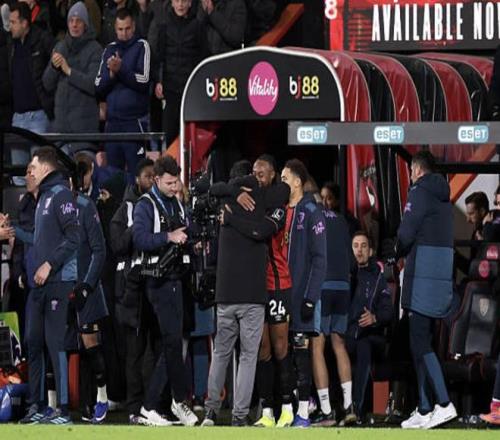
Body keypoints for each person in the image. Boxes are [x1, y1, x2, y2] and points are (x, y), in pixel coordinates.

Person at [201, 159, 289, 427]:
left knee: (221, 354)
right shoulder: (264, 198)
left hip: (226, 294)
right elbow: (283, 193)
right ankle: (239, 416)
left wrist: (230, 206)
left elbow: (208, 188)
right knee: (249, 356)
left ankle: (210, 412)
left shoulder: (224, 201)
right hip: (252, 295)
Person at [132, 155, 198, 426]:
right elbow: (139, 238)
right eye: (169, 183)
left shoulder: (177, 203)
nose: (174, 187)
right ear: (156, 179)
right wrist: (169, 237)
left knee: (173, 343)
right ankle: (170, 402)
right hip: (158, 281)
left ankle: (160, 404)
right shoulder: (145, 204)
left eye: (176, 182)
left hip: (177, 279)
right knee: (172, 342)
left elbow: (185, 230)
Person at [18, 147, 80, 425]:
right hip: (38, 285)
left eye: (32, 167)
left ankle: (63, 410)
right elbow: (38, 239)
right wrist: (13, 232)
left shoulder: (61, 195)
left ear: (45, 168)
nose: (29, 173)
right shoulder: (43, 197)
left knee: (55, 343)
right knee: (33, 341)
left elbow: (74, 236)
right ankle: (37, 405)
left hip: (57, 281)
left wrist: (49, 265)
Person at [396, 150, 457, 429]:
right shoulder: (443, 198)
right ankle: (423, 408)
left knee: (419, 341)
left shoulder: (419, 192)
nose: (410, 176)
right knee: (420, 342)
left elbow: (406, 234)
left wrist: (396, 250)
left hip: (422, 275)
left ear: (417, 170)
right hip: (439, 278)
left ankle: (443, 403)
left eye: (411, 171)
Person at [110, 158, 171, 426]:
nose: (151, 180)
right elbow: (116, 245)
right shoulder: (126, 209)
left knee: (159, 349)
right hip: (132, 291)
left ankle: (157, 406)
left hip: (157, 287)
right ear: (137, 179)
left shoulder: (165, 206)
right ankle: (135, 408)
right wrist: (138, 227)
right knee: (134, 353)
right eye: (147, 176)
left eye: (154, 176)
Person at [280, 159, 327, 428]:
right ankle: (286, 409)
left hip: (301, 295)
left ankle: (304, 412)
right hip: (281, 294)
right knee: (282, 352)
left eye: (285, 178)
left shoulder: (311, 211)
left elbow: (320, 259)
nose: (281, 183)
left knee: (301, 352)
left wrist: (311, 297)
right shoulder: (280, 211)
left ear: (297, 182)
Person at [252, 155, 295, 429]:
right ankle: (267, 410)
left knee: (280, 348)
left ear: (273, 175)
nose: (257, 177)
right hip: (256, 288)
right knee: (262, 349)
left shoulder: (278, 204)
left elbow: (261, 231)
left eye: (262, 173)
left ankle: (288, 408)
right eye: (254, 172)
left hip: (278, 284)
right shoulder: (251, 202)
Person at [67, 166, 110, 424]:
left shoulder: (85, 206)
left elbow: (99, 250)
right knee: (68, 347)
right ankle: (79, 404)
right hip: (62, 286)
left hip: (86, 288)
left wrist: (87, 285)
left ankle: (102, 398)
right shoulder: (49, 207)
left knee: (91, 346)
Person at [310, 189, 355, 426]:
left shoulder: (312, 218)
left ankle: (326, 411)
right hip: (343, 286)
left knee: (317, 346)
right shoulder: (341, 220)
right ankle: (349, 406)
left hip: (323, 286)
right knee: (339, 345)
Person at [95, 7, 150, 182]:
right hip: (112, 125)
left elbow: (144, 81)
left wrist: (121, 70)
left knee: (137, 177)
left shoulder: (142, 46)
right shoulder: (109, 49)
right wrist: (112, 75)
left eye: (127, 29)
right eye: (120, 29)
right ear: (115, 28)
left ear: (133, 27)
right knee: (113, 178)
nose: (123, 33)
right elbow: (98, 85)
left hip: (134, 123)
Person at [42, 2, 102, 156]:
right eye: (71, 21)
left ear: (85, 24)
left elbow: (93, 85)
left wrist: (68, 71)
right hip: (61, 133)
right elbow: (47, 84)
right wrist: (53, 67)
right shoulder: (60, 47)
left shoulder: (95, 49)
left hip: (84, 134)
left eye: (78, 21)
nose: (74, 25)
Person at [346, 231, 393, 421]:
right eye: (355, 246)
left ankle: (357, 409)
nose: (359, 250)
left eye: (363, 246)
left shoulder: (378, 278)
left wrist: (374, 318)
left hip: (369, 335)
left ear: (371, 251)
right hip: (345, 334)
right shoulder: (344, 275)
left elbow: (388, 312)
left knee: (363, 346)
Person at [151, 0, 205, 147]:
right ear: (172, 3)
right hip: (171, 89)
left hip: (191, 89)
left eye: (184, 1)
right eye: (177, 0)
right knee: (170, 135)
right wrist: (159, 81)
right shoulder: (164, 26)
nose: (180, 4)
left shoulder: (197, 26)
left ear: (190, 3)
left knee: (191, 137)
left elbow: (202, 57)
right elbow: (159, 57)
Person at [8, 2, 54, 165]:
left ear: (24, 23)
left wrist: (49, 100)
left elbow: (56, 67)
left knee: (40, 170)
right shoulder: (11, 44)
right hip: (17, 118)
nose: (10, 26)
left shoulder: (43, 39)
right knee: (18, 173)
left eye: (13, 22)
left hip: (38, 116)